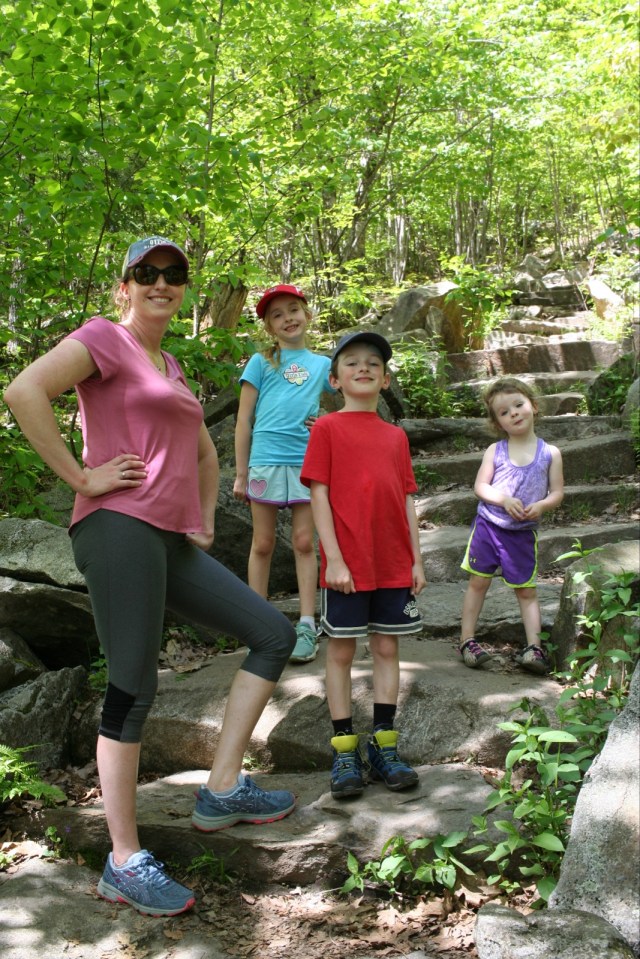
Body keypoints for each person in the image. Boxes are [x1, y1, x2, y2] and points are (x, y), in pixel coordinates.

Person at [3, 237, 297, 918]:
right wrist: (81, 476)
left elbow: (200, 449)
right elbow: (24, 391)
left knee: (272, 632)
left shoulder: (170, 365)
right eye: (147, 274)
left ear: (185, 288)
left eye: (173, 275)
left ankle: (221, 788)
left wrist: (197, 513)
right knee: (134, 687)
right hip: (116, 528)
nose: (161, 283)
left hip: (167, 539)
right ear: (124, 286)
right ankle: (124, 859)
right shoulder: (103, 338)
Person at [300, 331, 426, 800]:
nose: (364, 368)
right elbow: (319, 493)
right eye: (351, 363)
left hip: (393, 561)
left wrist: (416, 557)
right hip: (347, 562)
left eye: (373, 363)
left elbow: (406, 499)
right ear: (335, 380)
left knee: (388, 649)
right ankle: (344, 749)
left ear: (386, 378)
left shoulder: (396, 437)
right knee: (341, 652)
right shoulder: (328, 429)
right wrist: (332, 556)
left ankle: (384, 745)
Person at [233, 283, 334, 664]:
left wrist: (327, 422)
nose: (288, 318)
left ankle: (307, 623)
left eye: (294, 309)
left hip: (307, 464)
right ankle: (257, 624)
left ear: (307, 315)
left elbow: (353, 402)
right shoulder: (262, 362)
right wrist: (241, 473)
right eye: (277, 315)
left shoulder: (323, 364)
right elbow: (244, 420)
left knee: (305, 542)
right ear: (269, 328)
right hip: (265, 461)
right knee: (262, 543)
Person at [458, 376, 564, 674]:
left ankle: (534, 648)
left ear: (533, 406)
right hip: (489, 527)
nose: (514, 413)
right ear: (498, 423)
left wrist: (542, 505)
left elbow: (557, 492)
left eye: (519, 405)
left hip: (522, 533)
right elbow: (480, 486)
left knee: (526, 590)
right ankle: (467, 640)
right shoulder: (496, 450)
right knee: (478, 581)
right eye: (504, 412)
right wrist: (504, 500)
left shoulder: (550, 453)